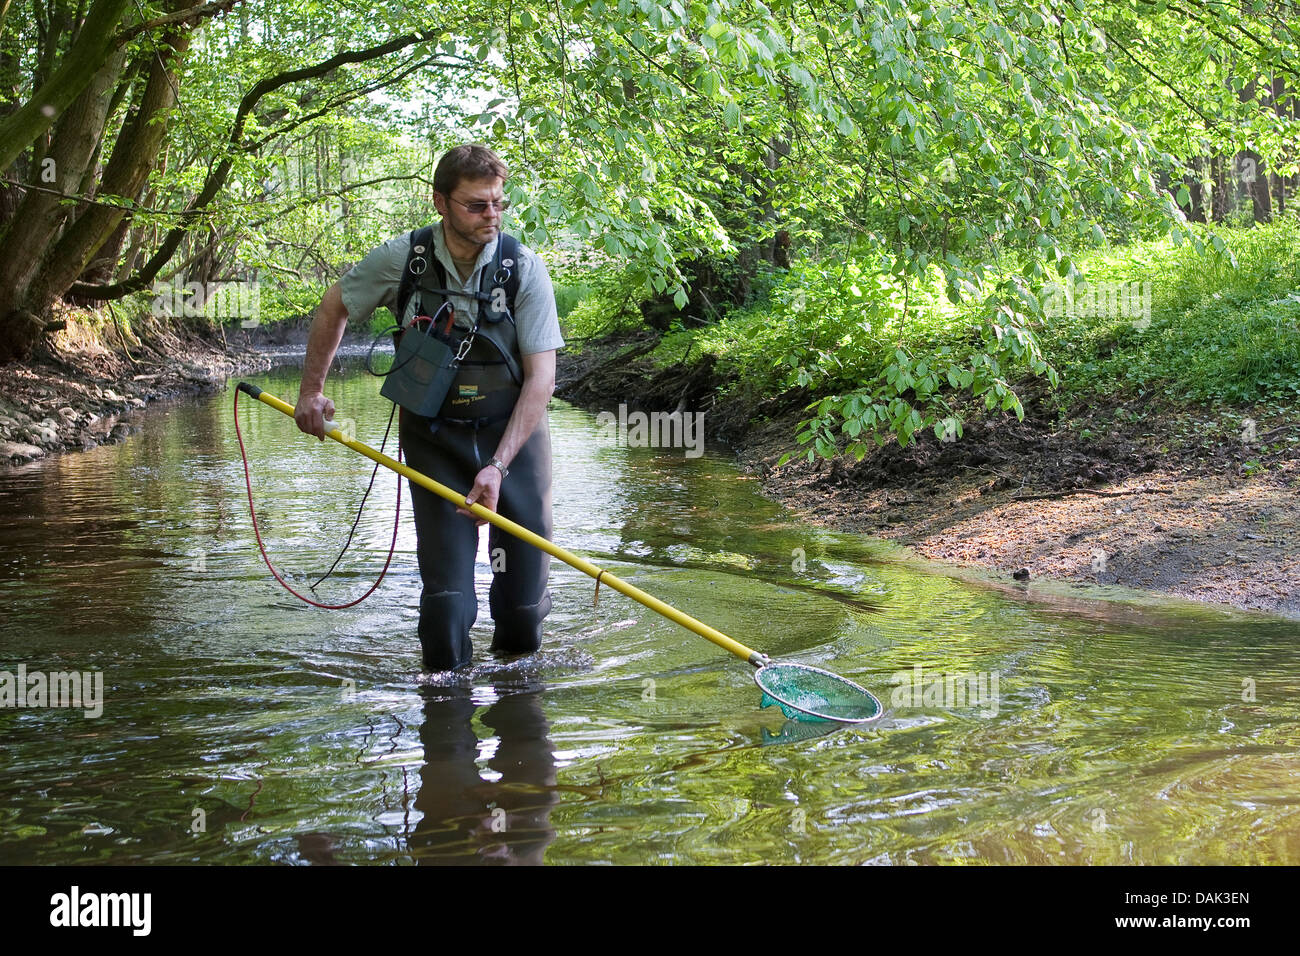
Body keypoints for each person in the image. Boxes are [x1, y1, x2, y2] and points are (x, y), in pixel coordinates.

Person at [293, 144, 564, 671]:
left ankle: (519, 722)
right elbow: (335, 305)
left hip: (517, 449)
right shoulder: (404, 258)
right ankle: (445, 728)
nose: (492, 216)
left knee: (522, 616)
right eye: (476, 205)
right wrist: (309, 392)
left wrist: (498, 466)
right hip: (435, 442)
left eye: (498, 204)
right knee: (444, 616)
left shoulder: (524, 269)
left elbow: (542, 380)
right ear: (440, 203)